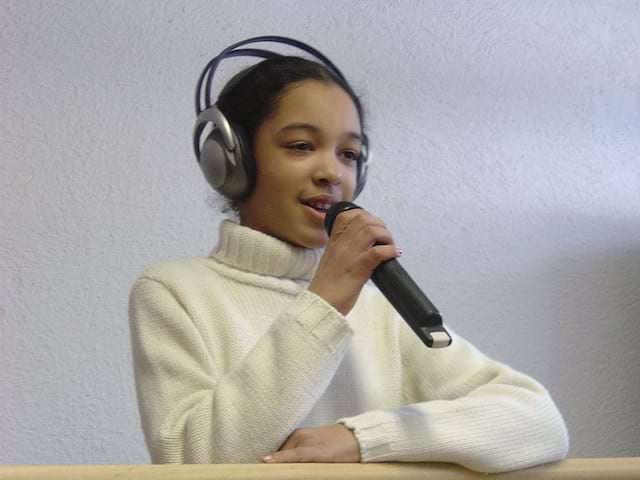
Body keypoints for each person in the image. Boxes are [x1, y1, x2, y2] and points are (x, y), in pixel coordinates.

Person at [128, 39, 569, 473]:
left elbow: (540, 422)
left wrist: (364, 439)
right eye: (301, 146)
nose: (331, 173)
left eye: (349, 154)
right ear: (230, 160)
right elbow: (193, 460)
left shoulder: (381, 309)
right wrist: (323, 304)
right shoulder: (173, 291)